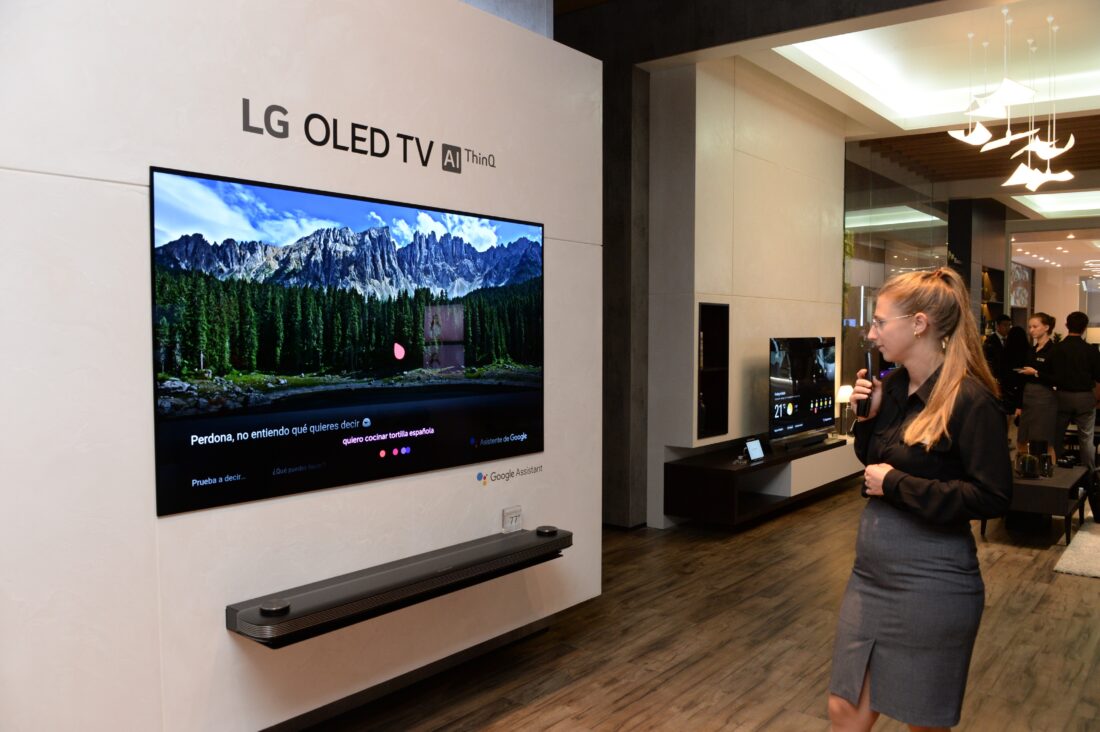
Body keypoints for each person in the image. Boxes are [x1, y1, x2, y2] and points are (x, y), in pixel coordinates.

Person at [828, 267, 1011, 732]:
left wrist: (897, 485)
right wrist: (865, 419)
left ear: (919, 323)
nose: (871, 334)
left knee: (922, 722)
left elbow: (992, 495)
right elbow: (871, 461)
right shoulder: (891, 389)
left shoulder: (971, 400)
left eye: (879, 322)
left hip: (933, 584)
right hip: (869, 579)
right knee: (843, 709)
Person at [1051, 311, 1100, 518]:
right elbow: (1098, 378)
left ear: (1066, 324)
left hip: (1061, 396)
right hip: (1084, 398)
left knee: (1057, 436)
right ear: (1084, 328)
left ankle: (1054, 472)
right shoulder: (1091, 351)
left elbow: (1051, 374)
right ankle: (1090, 477)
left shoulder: (1058, 348)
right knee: (1086, 439)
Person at [1016, 313, 1058, 459]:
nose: (1031, 330)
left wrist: (1036, 373)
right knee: (1023, 438)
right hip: (1028, 397)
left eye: (1035, 326)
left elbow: (1058, 379)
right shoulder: (1031, 350)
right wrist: (1019, 405)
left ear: (1046, 327)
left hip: (1044, 400)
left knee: (1043, 440)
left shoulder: (1054, 350)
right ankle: (1026, 471)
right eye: (1029, 327)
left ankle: (1048, 472)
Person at [983, 314, 1013, 416]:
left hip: (1007, 379)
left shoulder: (1011, 340)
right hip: (996, 378)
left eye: (1009, 325)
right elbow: (988, 361)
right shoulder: (990, 341)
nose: (1007, 328)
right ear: (998, 326)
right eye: (1005, 325)